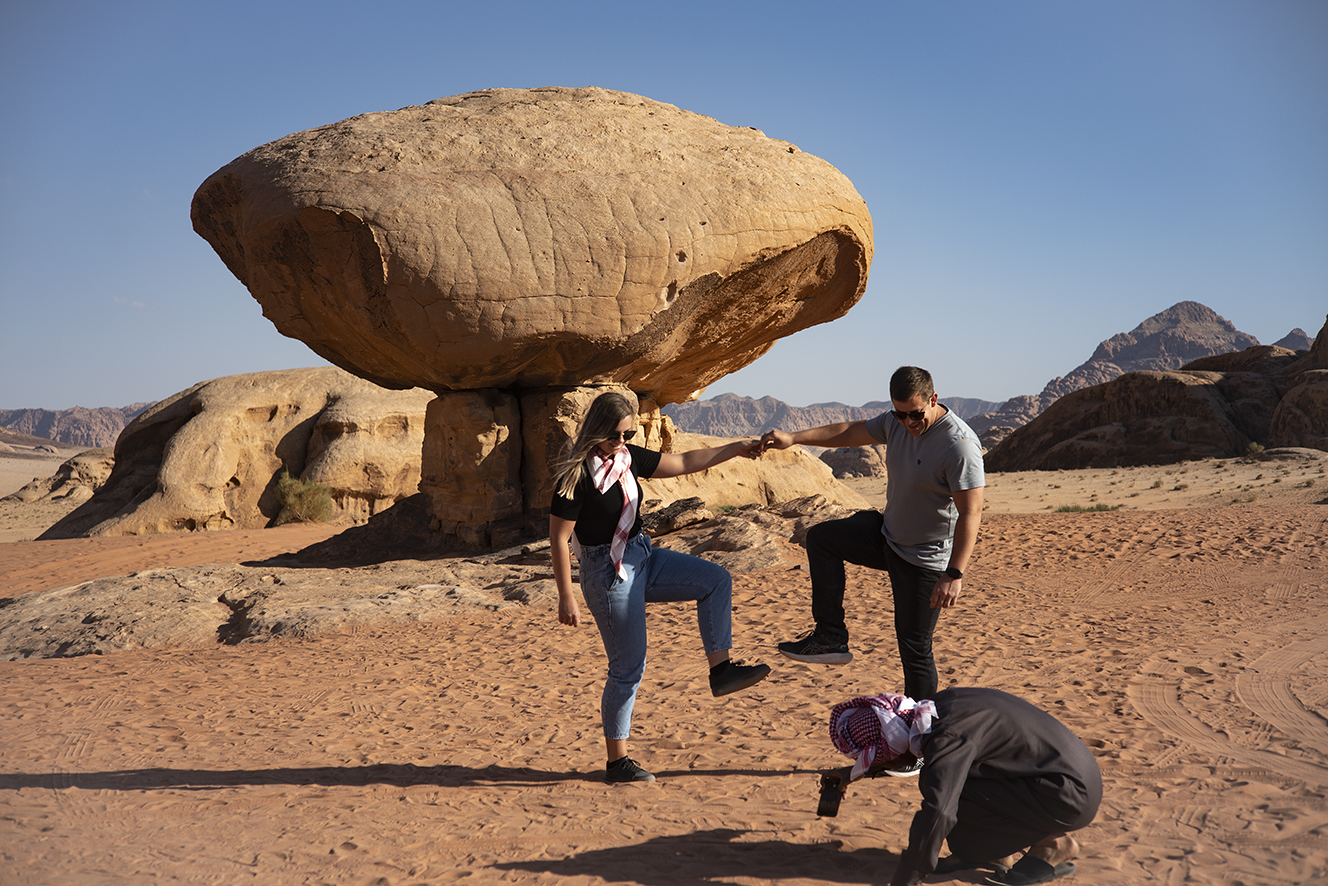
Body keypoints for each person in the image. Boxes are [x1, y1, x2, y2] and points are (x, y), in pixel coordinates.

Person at [550, 392, 772, 784]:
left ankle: (721, 671)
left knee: (715, 581)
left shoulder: (628, 458)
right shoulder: (577, 476)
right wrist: (566, 594)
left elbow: (685, 462)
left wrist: (736, 449)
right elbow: (559, 538)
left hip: (641, 556)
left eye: (629, 433)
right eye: (616, 435)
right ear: (598, 430)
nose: (623, 441)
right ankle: (617, 763)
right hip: (605, 572)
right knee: (627, 668)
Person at [759, 366, 984, 708]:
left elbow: (971, 513)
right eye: (900, 414)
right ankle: (830, 637)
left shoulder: (959, 446)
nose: (908, 423)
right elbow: (850, 431)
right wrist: (794, 438)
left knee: (915, 650)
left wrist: (954, 574)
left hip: (923, 561)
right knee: (822, 539)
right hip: (887, 538)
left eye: (915, 414)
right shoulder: (896, 421)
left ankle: (921, 741)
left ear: (933, 399)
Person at [825, 687, 1102, 886]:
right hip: (1062, 775)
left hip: (1070, 795)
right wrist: (852, 774)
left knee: (943, 788)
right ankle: (994, 853)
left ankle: (1052, 844)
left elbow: (939, 811)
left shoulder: (947, 736)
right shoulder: (936, 709)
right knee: (948, 779)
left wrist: (907, 878)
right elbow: (912, 754)